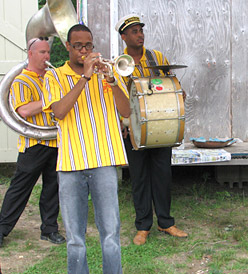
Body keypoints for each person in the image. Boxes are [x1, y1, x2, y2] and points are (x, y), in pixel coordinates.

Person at [42, 24, 130, 273]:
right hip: (70, 164)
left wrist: (111, 80)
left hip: (104, 160)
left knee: (111, 234)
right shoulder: (54, 76)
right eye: (78, 45)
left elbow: (126, 111)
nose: (84, 50)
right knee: (74, 238)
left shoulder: (109, 73)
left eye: (88, 45)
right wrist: (85, 78)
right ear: (67, 47)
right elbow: (59, 111)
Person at [114, 14, 188, 246]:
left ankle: (165, 222)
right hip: (134, 130)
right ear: (124, 37)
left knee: (163, 176)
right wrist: (123, 122)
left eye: (141, 30)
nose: (140, 35)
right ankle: (143, 226)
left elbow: (172, 86)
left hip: (161, 127)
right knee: (139, 178)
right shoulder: (119, 64)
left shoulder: (157, 58)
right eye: (134, 31)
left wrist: (180, 94)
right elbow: (115, 96)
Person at [0, 37, 65, 247]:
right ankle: (0, 229)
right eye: (42, 52)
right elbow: (23, 110)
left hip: (56, 141)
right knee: (20, 187)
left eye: (48, 52)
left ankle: (49, 230)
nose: (47, 57)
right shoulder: (21, 81)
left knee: (53, 188)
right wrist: (49, 101)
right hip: (33, 143)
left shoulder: (52, 77)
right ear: (30, 54)